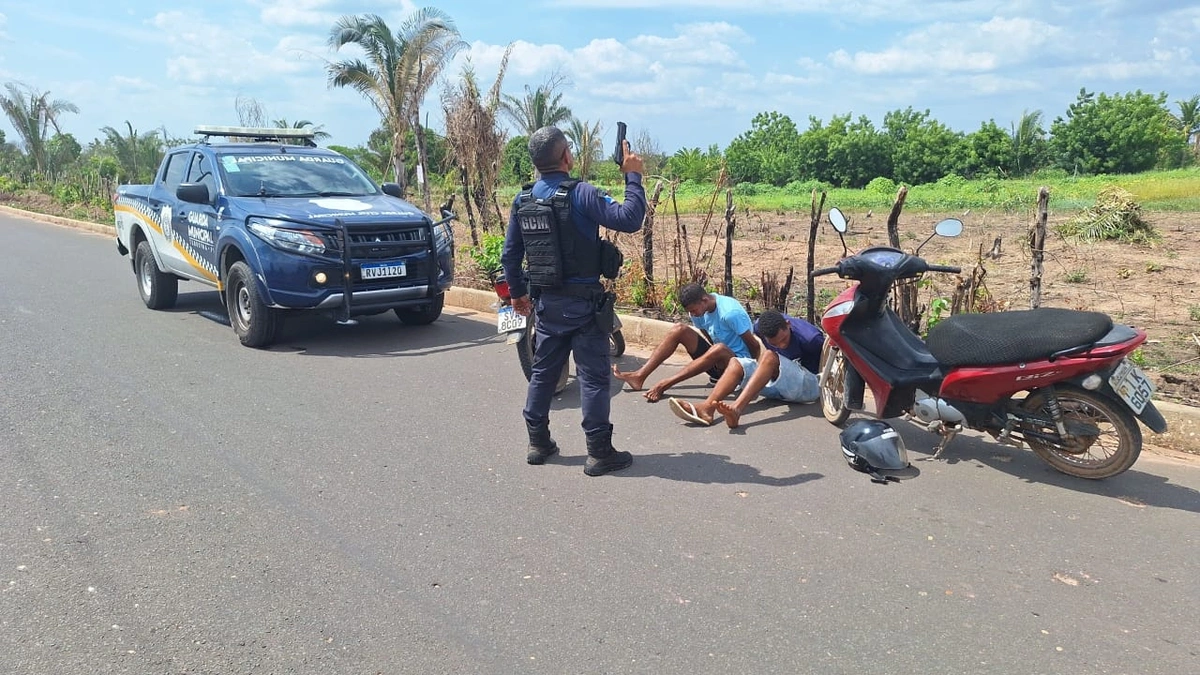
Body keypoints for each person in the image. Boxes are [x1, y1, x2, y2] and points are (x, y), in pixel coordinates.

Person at [500, 126, 646, 477]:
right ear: (566, 157)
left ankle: (538, 443)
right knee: (594, 378)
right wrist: (633, 176)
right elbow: (630, 218)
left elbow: (509, 256)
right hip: (584, 306)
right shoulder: (581, 193)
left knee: (543, 373)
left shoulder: (524, 200)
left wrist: (519, 295)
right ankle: (599, 453)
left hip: (546, 304)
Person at [667, 310, 825, 428]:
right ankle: (707, 409)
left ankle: (736, 409)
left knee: (769, 356)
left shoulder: (811, 338)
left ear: (788, 326)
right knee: (737, 363)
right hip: (779, 383)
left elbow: (828, 370)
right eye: (775, 343)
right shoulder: (759, 328)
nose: (782, 345)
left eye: (784, 340)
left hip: (807, 387)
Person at [612, 282, 760, 402]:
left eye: (694, 310)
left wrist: (752, 379)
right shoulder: (698, 311)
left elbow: (754, 346)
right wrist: (713, 360)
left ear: (704, 300)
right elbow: (708, 338)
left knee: (719, 349)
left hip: (740, 367)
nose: (693, 314)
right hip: (719, 363)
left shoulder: (729, 313)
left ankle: (665, 384)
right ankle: (640, 376)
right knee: (679, 329)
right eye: (691, 312)